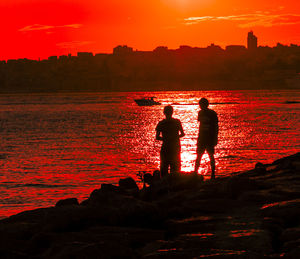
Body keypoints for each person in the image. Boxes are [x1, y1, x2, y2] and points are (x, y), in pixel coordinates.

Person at [156, 105, 185, 177]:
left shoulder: (161, 123)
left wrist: (166, 138)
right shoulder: (177, 122)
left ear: (164, 113)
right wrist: (174, 137)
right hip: (175, 147)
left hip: (166, 147)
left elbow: (157, 137)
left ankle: (164, 184)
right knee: (175, 168)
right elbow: (182, 134)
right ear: (172, 112)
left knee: (164, 168)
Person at [194, 98, 218, 179]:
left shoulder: (212, 113)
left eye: (201, 104)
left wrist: (215, 138)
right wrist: (198, 137)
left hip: (209, 137)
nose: (200, 106)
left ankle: (213, 174)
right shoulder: (200, 113)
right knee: (199, 155)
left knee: (211, 155)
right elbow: (200, 125)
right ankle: (195, 172)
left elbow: (216, 126)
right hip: (202, 137)